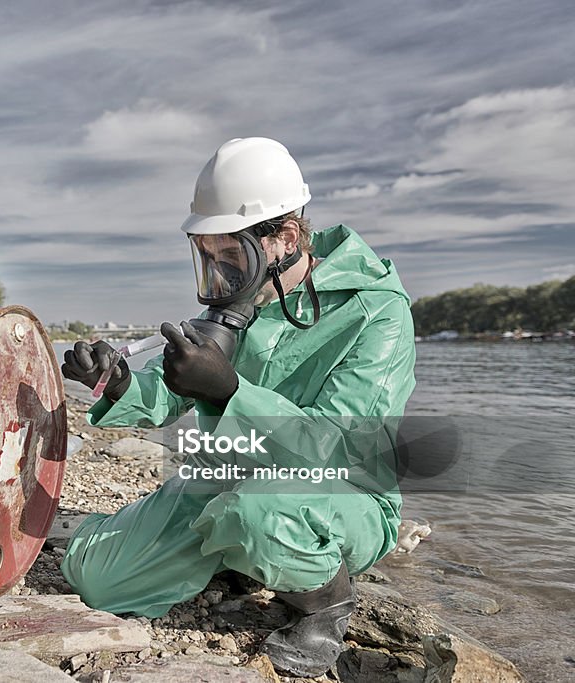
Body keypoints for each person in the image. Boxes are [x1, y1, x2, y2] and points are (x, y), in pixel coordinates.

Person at [59, 137, 416, 677]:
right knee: (97, 577)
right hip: (227, 476)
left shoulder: (378, 316)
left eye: (231, 255)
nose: (219, 272)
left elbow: (340, 446)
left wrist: (230, 392)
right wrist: (116, 383)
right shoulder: (240, 302)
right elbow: (168, 391)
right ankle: (239, 554)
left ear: (285, 238)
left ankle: (328, 603)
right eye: (209, 255)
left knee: (260, 514)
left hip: (343, 495)